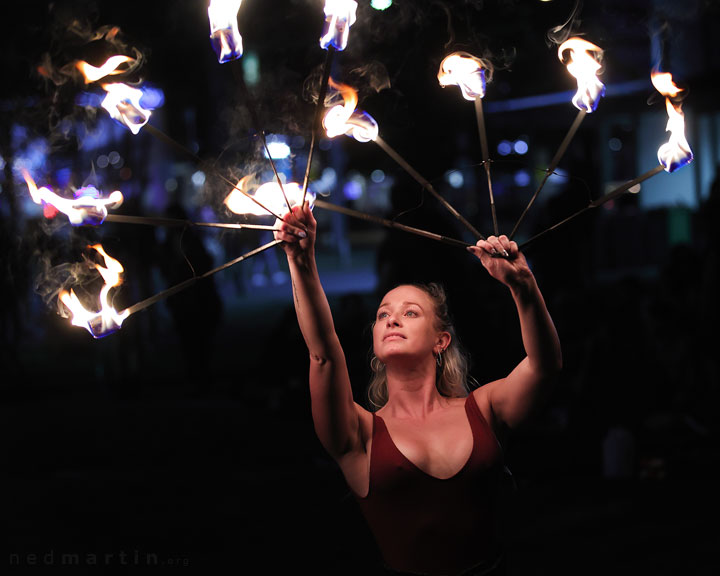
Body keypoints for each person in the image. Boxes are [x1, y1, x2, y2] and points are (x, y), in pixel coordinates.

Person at [274, 202, 562, 576]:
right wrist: (301, 261)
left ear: (440, 341)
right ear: (376, 338)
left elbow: (545, 365)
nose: (392, 317)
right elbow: (323, 355)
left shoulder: (484, 408)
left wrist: (523, 285)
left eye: (410, 312)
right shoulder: (359, 433)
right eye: (382, 314)